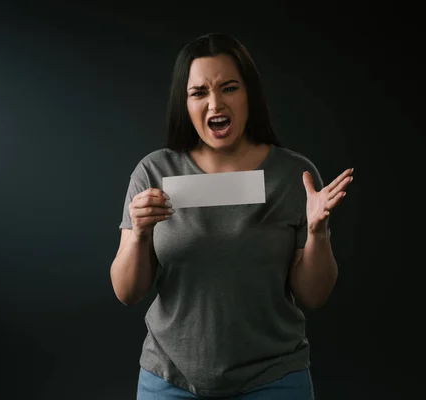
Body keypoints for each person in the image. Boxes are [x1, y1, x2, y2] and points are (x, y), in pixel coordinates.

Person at [110, 32, 353, 399]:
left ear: (249, 95)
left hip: (273, 378)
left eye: (229, 88)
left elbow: (314, 295)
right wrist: (141, 233)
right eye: (199, 93)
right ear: (185, 102)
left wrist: (317, 233)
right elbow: (127, 293)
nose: (215, 103)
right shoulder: (154, 171)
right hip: (170, 380)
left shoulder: (294, 176)